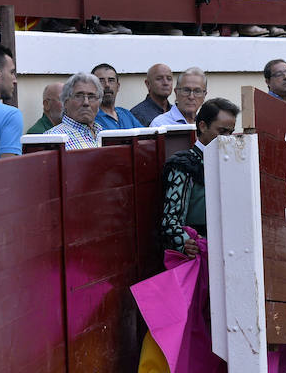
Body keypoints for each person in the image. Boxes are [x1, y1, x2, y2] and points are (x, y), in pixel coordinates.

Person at [160, 97, 240, 256]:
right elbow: (170, 220)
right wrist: (184, 242)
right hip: (199, 249)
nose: (227, 138)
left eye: (230, 132)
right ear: (203, 126)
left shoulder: (234, 162)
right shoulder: (183, 165)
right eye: (222, 131)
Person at [46, 73, 104, 150]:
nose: (86, 102)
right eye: (79, 96)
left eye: (91, 97)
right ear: (66, 102)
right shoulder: (54, 138)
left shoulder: (103, 134)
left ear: (99, 103)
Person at [92, 64, 142, 130]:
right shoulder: (91, 118)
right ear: (91, 87)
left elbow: (145, 137)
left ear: (118, 86)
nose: (107, 85)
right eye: (101, 81)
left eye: (111, 80)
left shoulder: (126, 114)